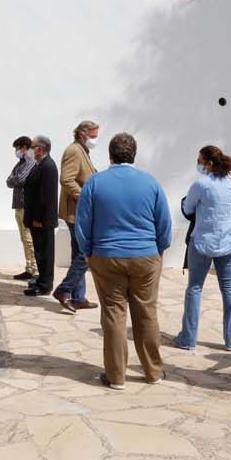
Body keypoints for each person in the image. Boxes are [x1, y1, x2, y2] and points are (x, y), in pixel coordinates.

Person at [75, 132, 171, 388]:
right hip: (145, 255)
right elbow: (164, 223)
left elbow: (82, 223)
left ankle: (116, 376)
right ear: (134, 154)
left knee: (114, 314)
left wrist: (88, 251)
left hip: (106, 256)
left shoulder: (95, 183)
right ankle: (153, 372)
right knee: (147, 313)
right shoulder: (150, 183)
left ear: (110, 155)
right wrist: (158, 249)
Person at [175, 145, 231, 352]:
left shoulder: (201, 184)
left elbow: (188, 208)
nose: (199, 165)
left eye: (200, 161)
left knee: (194, 288)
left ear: (209, 163)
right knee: (229, 288)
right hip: (229, 241)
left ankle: (188, 337)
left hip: (203, 241)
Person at [54, 120, 99, 313]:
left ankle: (78, 297)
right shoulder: (73, 151)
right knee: (84, 253)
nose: (95, 140)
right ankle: (64, 291)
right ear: (82, 134)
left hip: (79, 212)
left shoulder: (82, 150)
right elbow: (66, 179)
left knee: (78, 254)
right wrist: (85, 197)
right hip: (76, 211)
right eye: (93, 136)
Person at [21, 135, 59, 298]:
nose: (31, 149)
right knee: (39, 252)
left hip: (42, 220)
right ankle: (42, 279)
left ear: (41, 149)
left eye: (33, 146)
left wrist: (38, 218)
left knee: (45, 253)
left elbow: (46, 196)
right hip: (36, 218)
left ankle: (45, 285)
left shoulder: (48, 166)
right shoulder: (40, 164)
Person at [6, 135, 39, 282]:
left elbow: (19, 179)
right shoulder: (20, 163)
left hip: (26, 205)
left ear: (24, 148)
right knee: (23, 238)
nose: (16, 152)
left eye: (17, 149)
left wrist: (14, 179)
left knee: (29, 239)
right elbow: (9, 181)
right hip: (18, 205)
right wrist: (14, 179)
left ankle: (35, 270)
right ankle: (29, 268)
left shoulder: (30, 161)